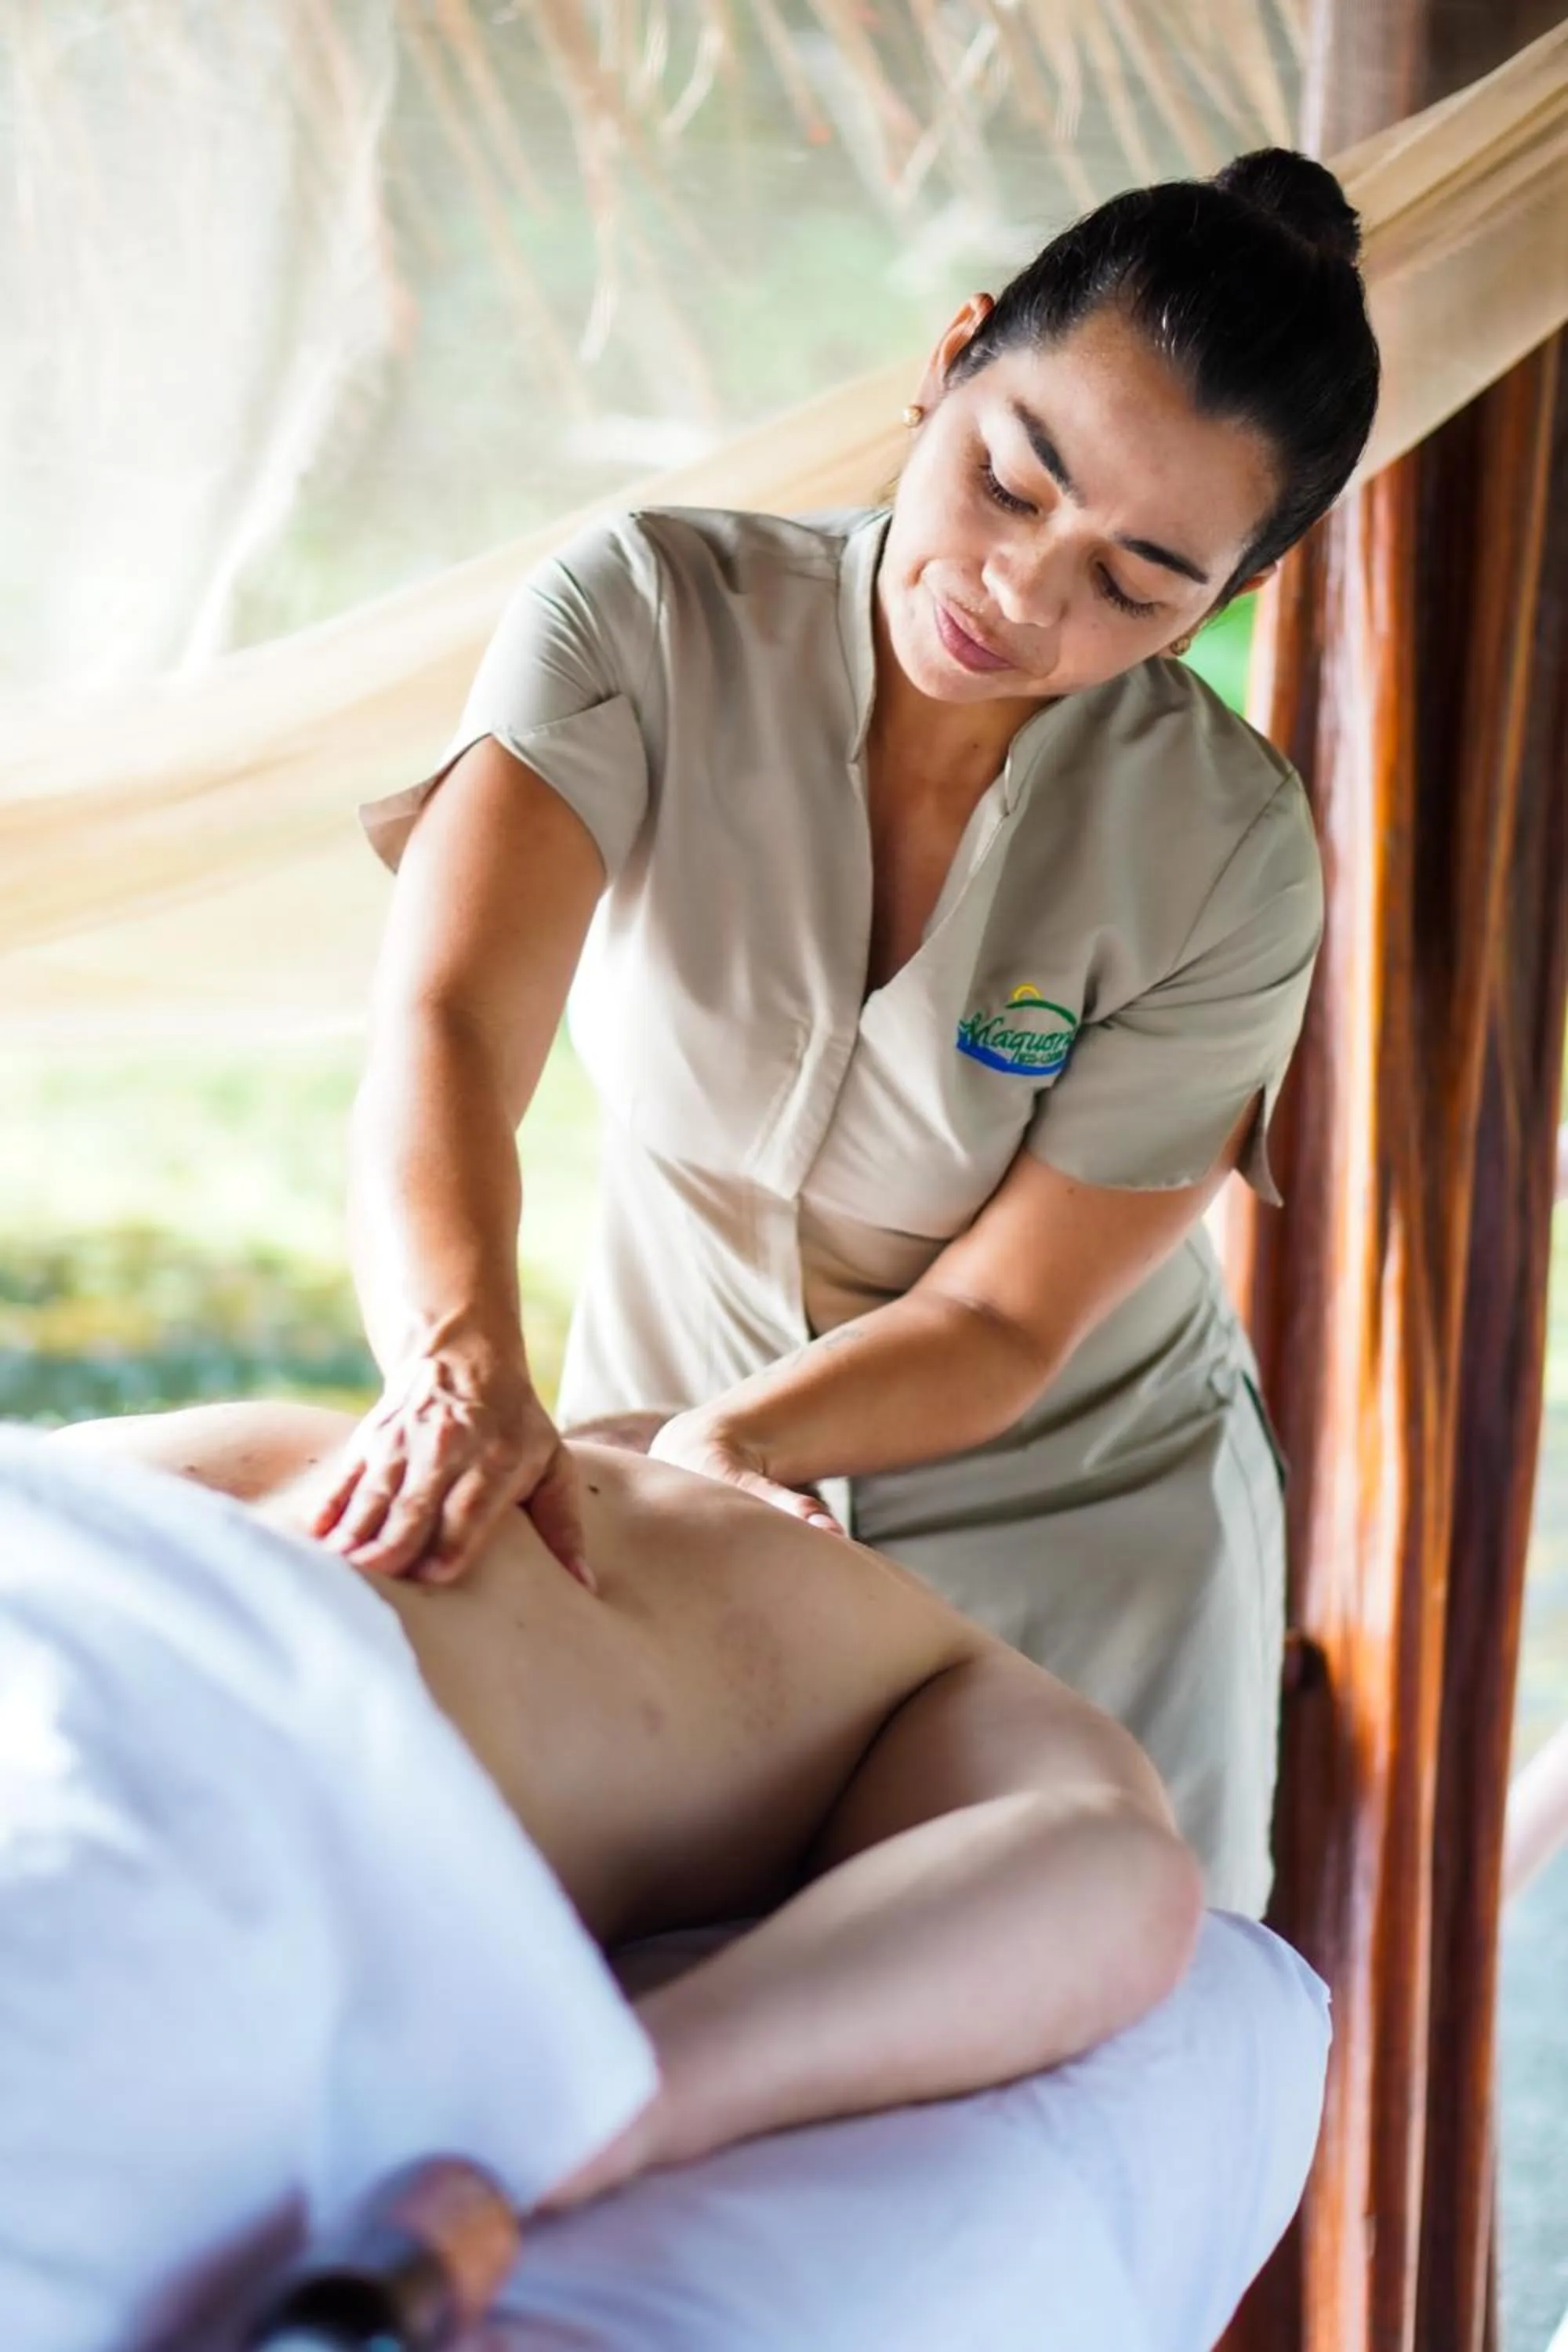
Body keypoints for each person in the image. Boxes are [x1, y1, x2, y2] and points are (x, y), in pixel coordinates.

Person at [329, 148, 1381, 1918]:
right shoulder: (647, 620)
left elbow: (1001, 1312)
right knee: (601, 1964)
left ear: (1232, 595)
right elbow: (448, 1022)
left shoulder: (1224, 855)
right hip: (658, 1441)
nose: (1027, 594)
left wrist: (742, 1449)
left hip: (1073, 1524)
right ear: (950, 355)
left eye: (1137, 582)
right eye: (1012, 479)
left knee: (1075, 2053)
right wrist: (459, 1364)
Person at [49, 1399, 1203, 2203]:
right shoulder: (895, 1645)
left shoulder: (924, 1664)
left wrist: (621, 2098)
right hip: (186, 1694)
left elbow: (1108, 1874)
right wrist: (625, 2099)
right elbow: (1120, 1876)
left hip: (182, 1697)